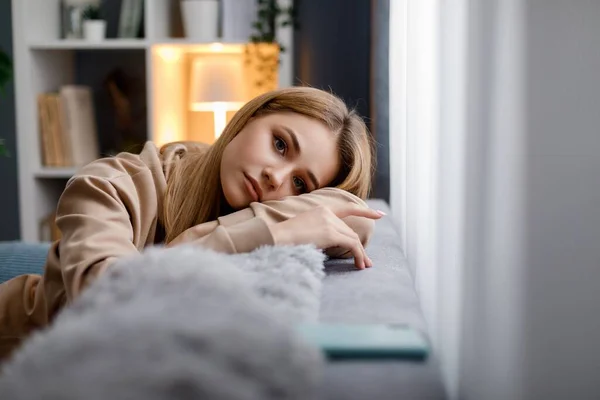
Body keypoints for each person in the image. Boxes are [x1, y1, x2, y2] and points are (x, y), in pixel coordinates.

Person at [0, 87, 383, 363]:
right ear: (248, 117)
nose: (274, 175)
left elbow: (354, 215)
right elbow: (106, 302)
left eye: (300, 184)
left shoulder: (261, 199)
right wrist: (272, 233)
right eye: (280, 145)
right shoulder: (110, 183)